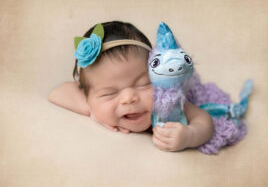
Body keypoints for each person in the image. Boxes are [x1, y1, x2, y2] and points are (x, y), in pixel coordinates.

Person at [48, 21, 214, 152]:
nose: (129, 98)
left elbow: (203, 119)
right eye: (109, 94)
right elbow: (57, 93)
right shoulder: (90, 96)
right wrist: (93, 108)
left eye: (143, 84)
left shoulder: (167, 103)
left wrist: (190, 136)